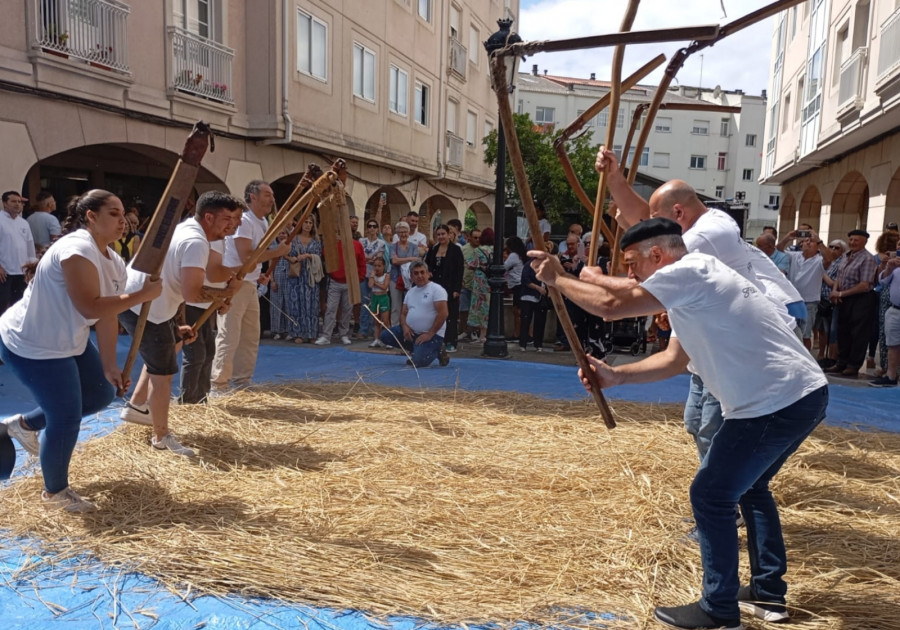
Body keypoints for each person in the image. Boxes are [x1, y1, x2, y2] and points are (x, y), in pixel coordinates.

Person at [529, 217, 828, 630]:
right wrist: (617, 376)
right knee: (750, 488)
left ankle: (719, 609)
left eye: (632, 263)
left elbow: (612, 306)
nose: (630, 275)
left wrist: (558, 278)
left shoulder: (690, 270)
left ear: (657, 255)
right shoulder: (694, 289)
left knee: (710, 495)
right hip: (800, 394)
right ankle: (766, 592)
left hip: (774, 402)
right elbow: (674, 360)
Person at [0, 190, 162, 511]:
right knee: (65, 416)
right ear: (91, 216)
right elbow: (89, 305)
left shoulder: (113, 258)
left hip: (66, 339)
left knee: (102, 392)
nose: (123, 221)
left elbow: (107, 313)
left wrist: (109, 365)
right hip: (33, 343)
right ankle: (55, 493)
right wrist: (142, 295)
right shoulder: (76, 249)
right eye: (113, 214)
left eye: (123, 214)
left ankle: (24, 425)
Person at [119, 191, 242, 456]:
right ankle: (161, 436)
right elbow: (192, 292)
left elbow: (181, 284)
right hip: (145, 307)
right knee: (163, 372)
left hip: (146, 303)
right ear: (209, 217)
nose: (232, 225)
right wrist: (224, 295)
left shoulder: (188, 228)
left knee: (164, 353)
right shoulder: (196, 241)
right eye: (227, 219)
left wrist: (180, 321)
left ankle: (138, 407)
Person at [210, 180, 290, 395]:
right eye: (267, 194)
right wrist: (276, 253)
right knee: (229, 334)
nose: (272, 199)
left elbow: (254, 257)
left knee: (250, 335)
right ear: (252, 196)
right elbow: (246, 256)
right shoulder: (244, 221)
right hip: (235, 282)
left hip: (250, 282)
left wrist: (261, 273)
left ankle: (242, 380)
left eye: (272, 195)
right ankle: (219, 384)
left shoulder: (262, 221)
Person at [823, 229, 879, 378]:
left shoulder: (867, 259)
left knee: (858, 333)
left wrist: (841, 293)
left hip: (861, 299)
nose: (853, 243)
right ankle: (841, 362)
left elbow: (865, 285)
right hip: (843, 298)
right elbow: (839, 277)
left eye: (857, 240)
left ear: (865, 242)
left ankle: (853, 365)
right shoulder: (845, 256)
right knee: (843, 331)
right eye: (851, 239)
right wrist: (835, 291)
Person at [378, 261, 450, 367]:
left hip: (432, 335)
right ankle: (419, 349)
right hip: (412, 333)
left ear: (428, 274)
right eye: (416, 273)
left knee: (419, 362)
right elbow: (403, 314)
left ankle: (437, 351)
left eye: (422, 272)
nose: (419, 276)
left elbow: (443, 314)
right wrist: (405, 327)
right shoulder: (411, 292)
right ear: (411, 276)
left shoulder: (437, 290)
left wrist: (430, 334)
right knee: (385, 336)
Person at [777, 228, 836, 350]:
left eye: (811, 241)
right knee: (790, 331)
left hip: (809, 302)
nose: (808, 243)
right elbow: (778, 250)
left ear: (817, 246)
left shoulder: (819, 260)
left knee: (805, 334)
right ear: (801, 244)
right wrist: (787, 237)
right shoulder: (794, 256)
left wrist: (819, 241)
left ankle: (806, 358)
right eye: (805, 241)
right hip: (791, 299)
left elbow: (829, 259)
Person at [314, 232, 366, 345]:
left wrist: (360, 278)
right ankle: (326, 335)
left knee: (347, 310)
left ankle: (344, 334)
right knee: (331, 309)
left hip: (350, 282)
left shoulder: (357, 245)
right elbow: (324, 254)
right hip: (335, 281)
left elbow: (362, 262)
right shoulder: (335, 244)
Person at [425, 224, 464, 352]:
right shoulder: (433, 249)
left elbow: (459, 270)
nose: (441, 236)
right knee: (434, 314)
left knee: (450, 315)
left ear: (448, 234)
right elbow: (428, 266)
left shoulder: (456, 250)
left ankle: (451, 341)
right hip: (435, 286)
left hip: (450, 287)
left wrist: (457, 289)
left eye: (443, 234)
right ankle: (436, 340)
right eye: (439, 234)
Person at [0, 191, 37, 315]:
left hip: (21, 270)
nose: (17, 204)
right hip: (4, 271)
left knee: (19, 303)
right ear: (5, 203)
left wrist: (31, 267)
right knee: (3, 301)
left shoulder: (24, 223)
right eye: (13, 201)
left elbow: (30, 246)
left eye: (19, 202)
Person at [289, 216, 323, 343]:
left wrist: (308, 255)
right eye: (305, 222)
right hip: (297, 276)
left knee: (312, 305)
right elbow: (285, 253)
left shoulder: (316, 240)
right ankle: (298, 333)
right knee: (296, 304)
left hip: (310, 276)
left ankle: (311, 333)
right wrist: (291, 258)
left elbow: (318, 256)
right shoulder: (294, 239)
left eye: (310, 223)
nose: (308, 225)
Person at [871, 254, 900, 386]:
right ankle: (891, 376)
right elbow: (882, 281)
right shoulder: (896, 265)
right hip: (895, 309)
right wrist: (889, 268)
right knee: (892, 345)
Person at [389, 221, 420, 327]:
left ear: (408, 232)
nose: (403, 234)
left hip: (410, 281)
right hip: (395, 279)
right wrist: (410, 258)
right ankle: (395, 330)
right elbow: (394, 261)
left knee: (409, 306)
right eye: (400, 232)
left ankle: (408, 329)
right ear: (397, 233)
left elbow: (416, 261)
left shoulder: (414, 246)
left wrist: (400, 259)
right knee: (396, 307)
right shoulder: (393, 246)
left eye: (405, 232)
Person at [360, 218, 387, 339]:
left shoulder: (381, 243)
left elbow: (378, 259)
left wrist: (368, 259)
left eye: (374, 226)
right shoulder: (361, 241)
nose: (371, 228)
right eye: (369, 226)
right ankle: (363, 329)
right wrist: (369, 259)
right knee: (364, 302)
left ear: (377, 229)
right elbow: (361, 257)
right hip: (363, 274)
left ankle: (373, 329)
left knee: (374, 302)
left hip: (375, 275)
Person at [466, 226, 493, 343]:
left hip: (480, 281)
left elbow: (470, 264)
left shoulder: (478, 251)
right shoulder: (495, 250)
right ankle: (487, 333)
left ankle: (482, 334)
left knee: (480, 306)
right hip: (491, 281)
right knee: (488, 305)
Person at [518, 259, 548, 351]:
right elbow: (525, 279)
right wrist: (538, 288)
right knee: (526, 319)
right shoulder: (529, 264)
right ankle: (523, 343)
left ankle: (538, 344)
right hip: (529, 296)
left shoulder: (547, 265)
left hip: (541, 297)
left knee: (540, 321)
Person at [459, 228, 481, 340]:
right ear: (469, 238)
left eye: (479, 238)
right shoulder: (463, 249)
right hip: (464, 284)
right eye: (475, 237)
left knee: (476, 311)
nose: (477, 240)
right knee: (464, 309)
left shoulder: (482, 250)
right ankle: (463, 331)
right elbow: (458, 265)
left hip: (478, 286)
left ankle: (473, 332)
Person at [504, 236, 526, 341]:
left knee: (517, 311)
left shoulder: (513, 255)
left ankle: (517, 334)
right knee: (521, 311)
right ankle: (525, 334)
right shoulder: (521, 256)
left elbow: (504, 267)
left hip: (517, 285)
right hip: (521, 284)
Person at [367, 257, 391, 348]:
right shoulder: (372, 275)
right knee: (376, 321)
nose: (377, 268)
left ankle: (389, 340)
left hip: (383, 298)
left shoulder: (386, 276)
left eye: (379, 266)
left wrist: (375, 282)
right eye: (375, 266)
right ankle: (376, 339)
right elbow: (370, 285)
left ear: (383, 266)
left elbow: (385, 287)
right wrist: (372, 276)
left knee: (385, 321)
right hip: (375, 297)